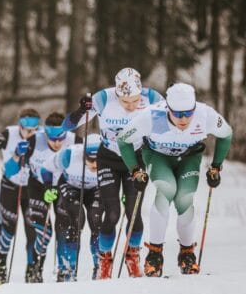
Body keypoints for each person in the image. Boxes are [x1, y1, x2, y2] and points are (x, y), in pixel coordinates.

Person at [116, 83, 232, 277]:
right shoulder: (151, 116)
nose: (184, 119)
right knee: (167, 189)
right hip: (157, 157)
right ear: (168, 108)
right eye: (178, 114)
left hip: (189, 158)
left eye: (188, 113)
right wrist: (135, 170)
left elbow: (226, 134)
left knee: (185, 197)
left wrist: (216, 166)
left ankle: (187, 254)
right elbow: (123, 139)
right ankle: (154, 254)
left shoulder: (205, 115)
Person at [63, 68, 164, 279]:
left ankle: (132, 254)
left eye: (135, 101)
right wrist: (82, 110)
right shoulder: (103, 98)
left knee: (133, 213)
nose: (131, 106)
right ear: (117, 94)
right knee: (112, 214)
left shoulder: (152, 97)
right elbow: (67, 125)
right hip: (108, 158)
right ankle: (104, 258)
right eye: (126, 102)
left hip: (135, 160)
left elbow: (171, 120)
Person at [13, 112, 77, 283]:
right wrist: (18, 156)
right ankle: (36, 268)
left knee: (64, 228)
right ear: (45, 134)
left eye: (60, 138)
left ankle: (64, 269)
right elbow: (15, 165)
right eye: (52, 139)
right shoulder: (34, 140)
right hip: (38, 187)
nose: (57, 143)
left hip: (63, 185)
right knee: (43, 232)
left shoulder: (74, 140)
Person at [0, 108, 40, 285]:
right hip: (10, 186)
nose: (31, 134)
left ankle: (31, 269)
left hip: (31, 188)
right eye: (28, 130)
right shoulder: (9, 134)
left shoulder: (40, 137)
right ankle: (2, 268)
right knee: (8, 230)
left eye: (35, 130)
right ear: (20, 125)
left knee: (32, 231)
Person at [42, 134, 103, 282]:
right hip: (70, 187)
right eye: (90, 160)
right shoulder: (69, 155)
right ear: (83, 155)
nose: (94, 165)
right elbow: (45, 168)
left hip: (95, 189)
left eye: (98, 160)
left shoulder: (109, 156)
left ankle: (100, 266)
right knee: (77, 218)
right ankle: (68, 268)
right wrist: (48, 187)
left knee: (96, 221)